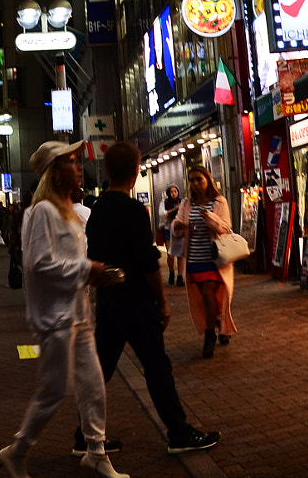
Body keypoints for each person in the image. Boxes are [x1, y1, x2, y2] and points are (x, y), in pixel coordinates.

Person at [0, 141, 127, 478]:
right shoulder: (43, 212)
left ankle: (96, 452)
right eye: (71, 161)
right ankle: (17, 449)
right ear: (55, 171)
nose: (79, 165)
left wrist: (91, 272)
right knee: (53, 390)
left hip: (79, 313)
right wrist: (88, 269)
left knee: (93, 384)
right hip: (56, 317)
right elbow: (38, 264)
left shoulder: (71, 210)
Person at [84, 141, 219, 456]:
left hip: (109, 302)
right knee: (157, 367)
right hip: (136, 302)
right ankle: (179, 432)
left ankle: (84, 435)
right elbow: (147, 262)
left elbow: (92, 254)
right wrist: (162, 302)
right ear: (135, 171)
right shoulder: (133, 210)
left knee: (100, 370)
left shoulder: (98, 209)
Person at [168, 166, 236, 359]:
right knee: (206, 299)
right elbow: (177, 224)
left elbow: (225, 227)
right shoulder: (187, 203)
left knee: (208, 295)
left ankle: (209, 335)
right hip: (194, 259)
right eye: (192, 180)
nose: (195, 184)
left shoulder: (219, 201)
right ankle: (220, 325)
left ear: (208, 179)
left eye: (199, 179)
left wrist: (211, 219)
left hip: (214, 259)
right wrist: (177, 226)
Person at [160, 185, 183, 287]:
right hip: (168, 230)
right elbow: (162, 214)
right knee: (170, 255)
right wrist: (174, 210)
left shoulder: (182, 202)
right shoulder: (164, 203)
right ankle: (171, 272)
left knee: (180, 254)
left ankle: (180, 277)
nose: (174, 193)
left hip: (179, 231)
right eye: (171, 192)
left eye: (175, 191)